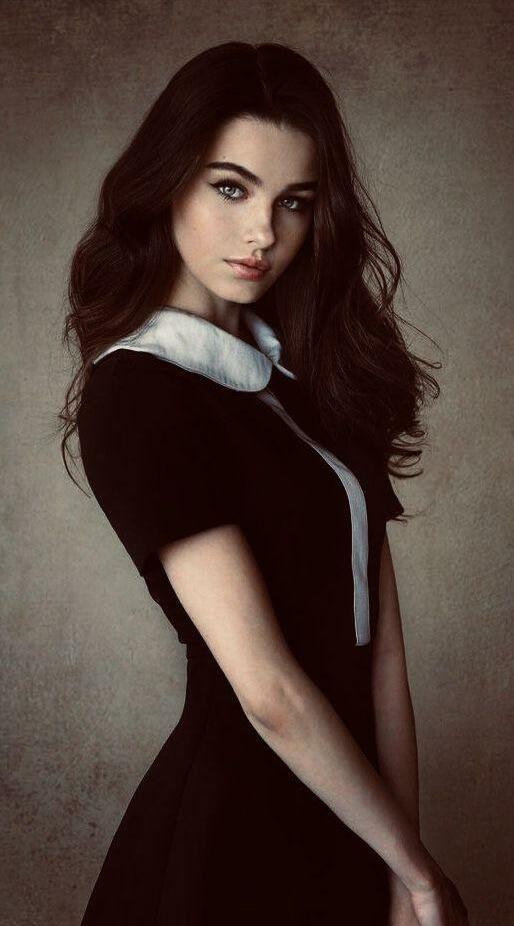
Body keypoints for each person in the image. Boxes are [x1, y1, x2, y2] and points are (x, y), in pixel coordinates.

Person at [59, 41, 469, 926]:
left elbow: (382, 656)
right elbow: (267, 690)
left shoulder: (310, 380)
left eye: (294, 202)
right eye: (231, 188)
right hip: (232, 842)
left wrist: (403, 866)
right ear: (168, 183)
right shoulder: (140, 393)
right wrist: (419, 871)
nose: (263, 234)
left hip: (358, 825)